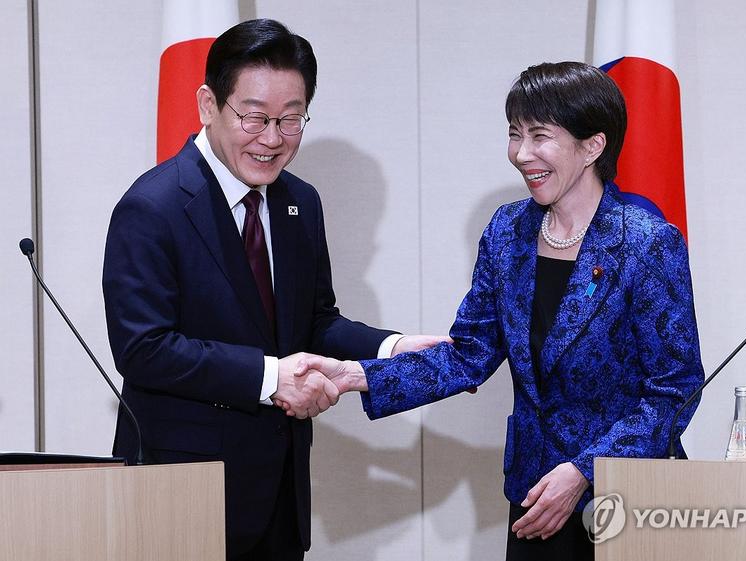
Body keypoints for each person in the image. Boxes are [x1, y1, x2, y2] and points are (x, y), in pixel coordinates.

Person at [297, 62, 704, 560]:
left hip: (624, 501)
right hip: (534, 495)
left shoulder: (646, 243)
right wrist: (356, 375)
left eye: (540, 136)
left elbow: (675, 390)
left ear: (593, 146)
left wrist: (584, 471)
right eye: (515, 134)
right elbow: (469, 354)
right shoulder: (508, 232)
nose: (521, 153)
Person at [102, 18, 445, 561]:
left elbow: (316, 321)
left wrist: (393, 349)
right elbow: (144, 349)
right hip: (182, 493)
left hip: (280, 495)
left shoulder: (299, 202)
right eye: (255, 117)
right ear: (208, 105)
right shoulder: (152, 207)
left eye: (290, 119)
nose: (272, 139)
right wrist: (271, 377)